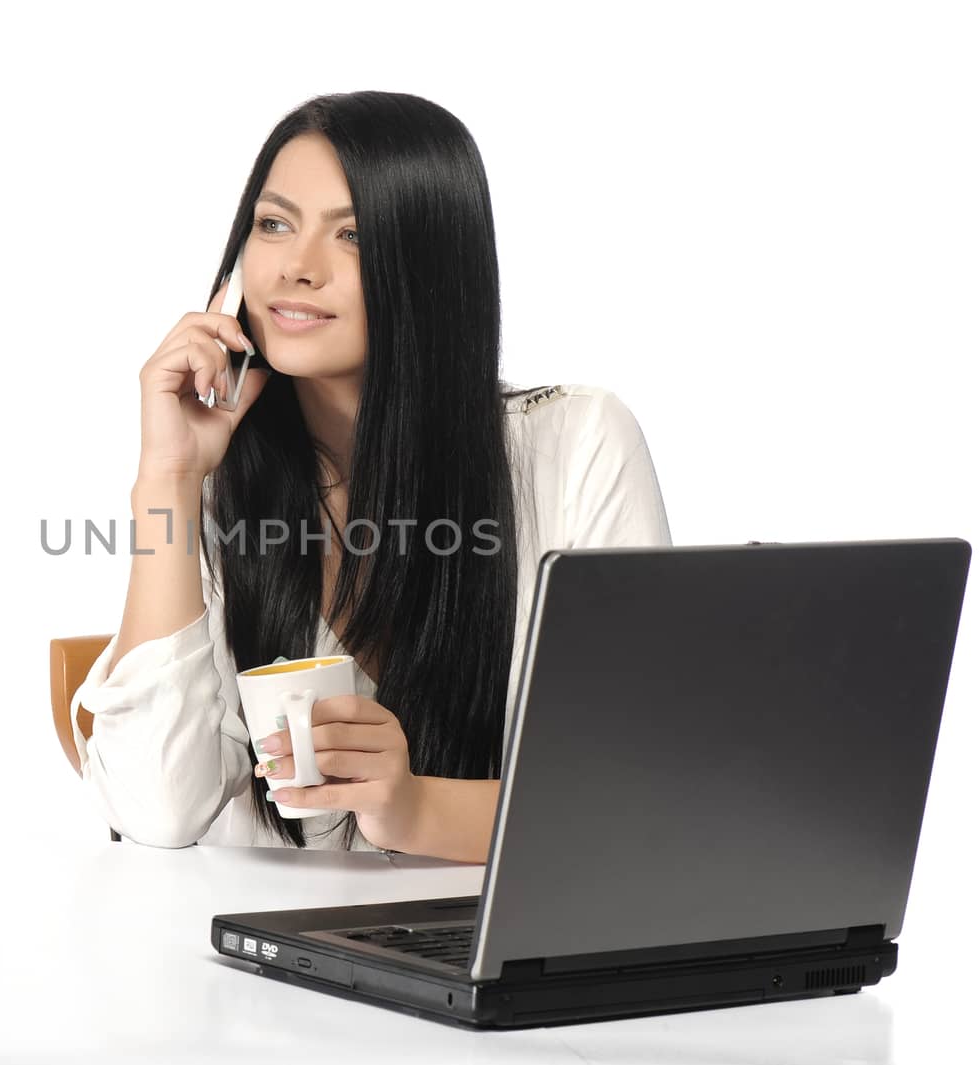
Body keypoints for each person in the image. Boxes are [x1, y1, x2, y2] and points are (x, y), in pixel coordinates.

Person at [69, 91, 671, 862]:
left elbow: (636, 800)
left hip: (493, 959)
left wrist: (418, 807)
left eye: (351, 235)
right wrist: (168, 479)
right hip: (263, 970)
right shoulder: (221, 480)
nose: (295, 268)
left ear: (431, 267)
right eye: (274, 224)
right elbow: (158, 810)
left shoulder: (576, 445)